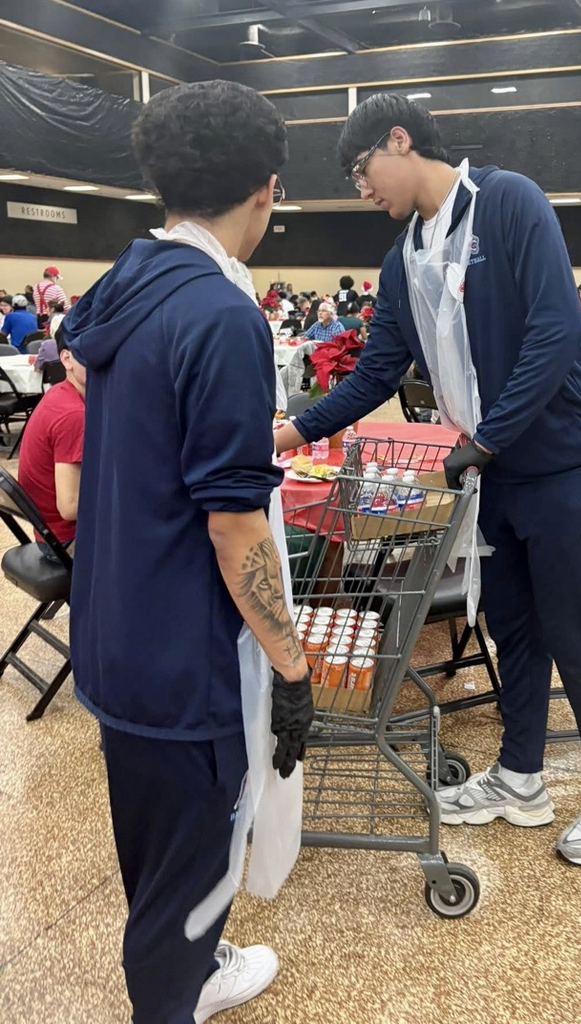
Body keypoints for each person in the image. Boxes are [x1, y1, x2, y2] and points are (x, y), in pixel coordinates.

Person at [276, 93, 581, 867]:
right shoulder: (404, 260)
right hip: (496, 470)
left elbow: (556, 333)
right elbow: (374, 372)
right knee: (513, 626)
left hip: (563, 461)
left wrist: (484, 438)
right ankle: (520, 775)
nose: (361, 190)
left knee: (575, 629)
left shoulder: (510, 203)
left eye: (361, 170)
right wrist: (289, 430)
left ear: (399, 140)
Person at [61, 80, 313, 1024]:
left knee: (155, 854)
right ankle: (175, 993)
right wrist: (290, 661)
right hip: (187, 661)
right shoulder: (221, 313)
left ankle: (192, 966)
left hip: (119, 634)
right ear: (267, 190)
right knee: (192, 868)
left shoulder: (124, 282)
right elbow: (234, 521)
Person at [17, 327, 83, 559]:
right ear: (66, 358)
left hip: (48, 534)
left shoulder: (59, 394)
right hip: (68, 541)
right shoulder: (74, 415)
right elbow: (70, 507)